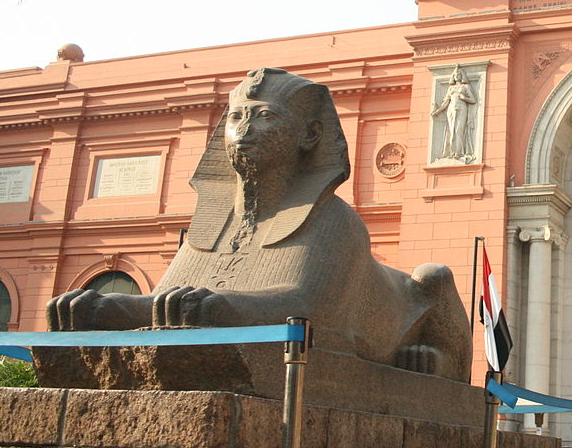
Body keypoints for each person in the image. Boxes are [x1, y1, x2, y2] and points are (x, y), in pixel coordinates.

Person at [46, 68, 472, 381]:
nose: (244, 130)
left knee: (432, 278)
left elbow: (308, 311)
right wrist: (105, 308)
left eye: (265, 116)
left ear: (309, 136)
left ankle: (445, 357)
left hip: (397, 324)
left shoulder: (336, 221)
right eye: (236, 118)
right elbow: (167, 305)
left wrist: (220, 308)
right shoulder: (210, 225)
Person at [430, 65, 477, 161]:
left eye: (459, 74)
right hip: (451, 110)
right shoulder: (451, 88)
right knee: (451, 131)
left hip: (461, 108)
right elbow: (446, 102)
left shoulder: (465, 86)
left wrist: (464, 98)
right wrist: (437, 111)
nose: (457, 76)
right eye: (455, 75)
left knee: (459, 130)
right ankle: (451, 152)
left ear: (461, 76)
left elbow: (473, 100)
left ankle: (459, 152)